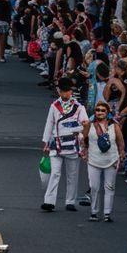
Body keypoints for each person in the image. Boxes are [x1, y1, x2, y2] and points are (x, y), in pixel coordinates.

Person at [41, 76, 88, 212]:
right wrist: (45, 142)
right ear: (59, 91)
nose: (65, 94)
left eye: (68, 91)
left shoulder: (79, 107)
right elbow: (49, 123)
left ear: (71, 91)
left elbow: (85, 124)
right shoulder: (54, 106)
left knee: (72, 175)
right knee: (55, 173)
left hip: (72, 144)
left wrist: (81, 135)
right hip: (56, 144)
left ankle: (70, 201)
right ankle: (49, 201)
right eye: (63, 91)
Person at [83, 100, 125, 222]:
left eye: (102, 110)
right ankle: (94, 212)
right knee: (94, 186)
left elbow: (120, 141)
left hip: (111, 160)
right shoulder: (89, 125)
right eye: (97, 110)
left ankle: (107, 213)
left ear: (107, 113)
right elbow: (83, 139)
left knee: (109, 187)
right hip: (93, 160)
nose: (100, 112)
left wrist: (121, 153)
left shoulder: (114, 126)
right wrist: (84, 151)